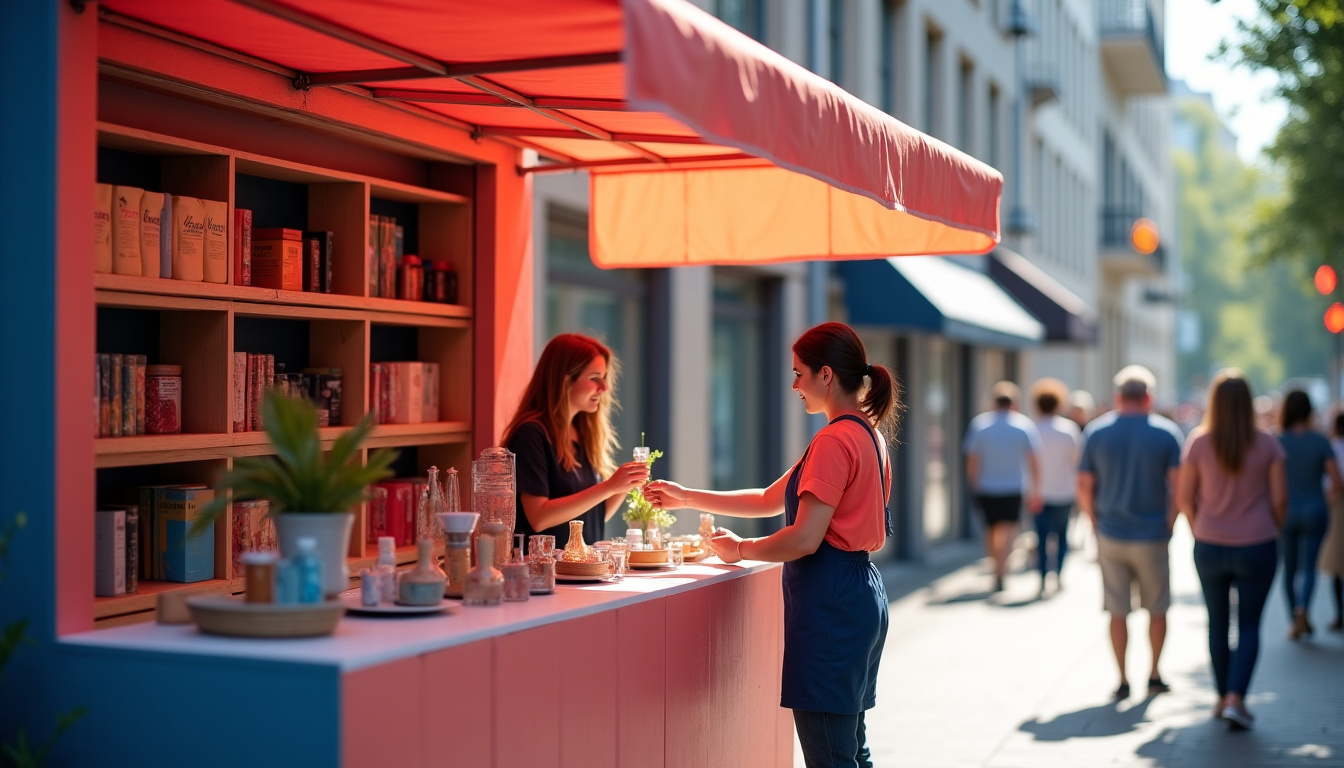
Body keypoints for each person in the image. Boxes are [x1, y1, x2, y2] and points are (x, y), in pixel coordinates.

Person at [644, 322, 896, 768]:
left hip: (831, 603)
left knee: (832, 756)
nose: (795, 384)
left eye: (799, 373)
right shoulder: (865, 434)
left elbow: (803, 537)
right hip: (860, 596)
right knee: (852, 749)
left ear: (825, 375)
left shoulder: (834, 440)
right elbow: (767, 498)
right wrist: (685, 496)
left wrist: (741, 550)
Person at [1176, 370, 1286, 730]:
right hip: (1257, 543)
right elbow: (1280, 498)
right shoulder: (1267, 443)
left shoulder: (1198, 441)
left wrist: (1199, 530)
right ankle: (1237, 697)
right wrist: (1273, 529)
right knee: (1251, 624)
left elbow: (1184, 498)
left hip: (1210, 543)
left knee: (1217, 623)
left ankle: (1224, 696)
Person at [1077, 365, 1183, 701]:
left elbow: (1084, 485)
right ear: (1149, 397)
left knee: (1117, 609)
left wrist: (1094, 522)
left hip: (1111, 532)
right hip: (1152, 534)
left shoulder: (1096, 432)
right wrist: (1170, 523)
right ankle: (1154, 674)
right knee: (1157, 607)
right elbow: (1178, 489)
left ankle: (1122, 679)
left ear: (1118, 397)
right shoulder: (1167, 433)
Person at [501, 333, 649, 548]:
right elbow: (539, 518)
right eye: (594, 378)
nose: (604, 388)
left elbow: (593, 515)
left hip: (580, 571)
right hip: (545, 574)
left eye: (604, 377)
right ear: (564, 380)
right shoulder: (531, 435)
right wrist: (609, 486)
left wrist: (624, 485)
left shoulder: (583, 433)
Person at [963, 381, 1042, 593]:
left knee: (990, 529)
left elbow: (972, 459)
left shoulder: (980, 425)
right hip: (1014, 486)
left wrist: (973, 483)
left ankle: (995, 565)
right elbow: (1034, 459)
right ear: (1014, 403)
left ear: (993, 402)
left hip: (987, 486)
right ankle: (1002, 569)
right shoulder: (1023, 425)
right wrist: (1035, 488)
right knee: (1009, 530)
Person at [1277, 390, 1341, 639]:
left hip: (1288, 511)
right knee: (1310, 567)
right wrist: (1328, 499)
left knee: (1289, 569)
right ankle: (1304, 606)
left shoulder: (1279, 441)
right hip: (1315, 508)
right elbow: (1336, 481)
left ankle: (1294, 618)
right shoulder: (1320, 441)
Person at [1029, 378, 1083, 596]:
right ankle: (1058, 573)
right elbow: (1076, 461)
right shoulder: (1069, 429)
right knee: (1062, 536)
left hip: (1038, 493)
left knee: (1041, 537)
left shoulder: (1032, 429)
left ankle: (1042, 577)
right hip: (1064, 490)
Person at [1322, 413, 1344, 631]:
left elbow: (1332, 482)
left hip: (1337, 509)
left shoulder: (1334, 446)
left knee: (1338, 566)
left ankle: (1340, 613)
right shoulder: (1331, 446)